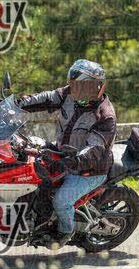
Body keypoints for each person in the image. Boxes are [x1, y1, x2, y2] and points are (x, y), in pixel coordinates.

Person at [16, 59, 116, 249]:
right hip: (63, 152)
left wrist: (68, 163)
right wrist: (18, 103)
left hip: (89, 170)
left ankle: (64, 232)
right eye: (75, 85)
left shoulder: (105, 116)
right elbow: (46, 98)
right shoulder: (69, 94)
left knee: (61, 200)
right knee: (29, 153)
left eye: (84, 86)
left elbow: (94, 150)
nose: (77, 90)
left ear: (98, 87)